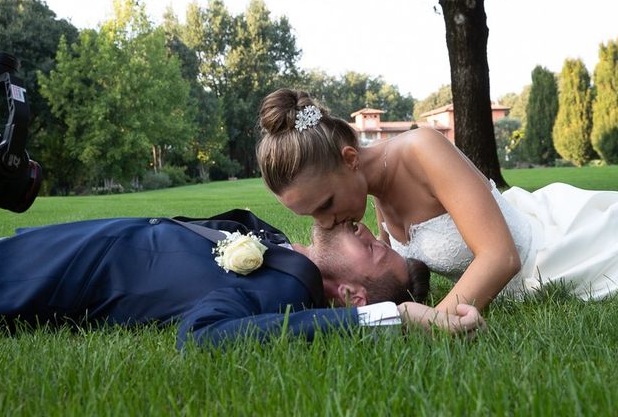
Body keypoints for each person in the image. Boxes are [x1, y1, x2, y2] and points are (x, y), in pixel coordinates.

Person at [256, 88, 618, 313]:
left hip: (555, 258)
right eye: (312, 215)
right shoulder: (375, 191)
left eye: (325, 205)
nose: (325, 223)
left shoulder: (422, 149)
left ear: (350, 160)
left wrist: (438, 321)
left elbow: (500, 256)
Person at [0, 209, 484, 347]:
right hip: (49, 247)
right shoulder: (291, 260)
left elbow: (203, 336)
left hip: (35, 274)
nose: (364, 231)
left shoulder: (287, 289)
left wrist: (390, 317)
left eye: (371, 250)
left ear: (352, 295)